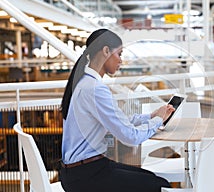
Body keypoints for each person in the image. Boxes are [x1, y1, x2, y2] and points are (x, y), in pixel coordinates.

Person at [60, 29, 174, 192]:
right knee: (159, 185)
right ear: (106, 51)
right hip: (85, 176)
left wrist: (151, 116)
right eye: (119, 54)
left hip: (81, 170)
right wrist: (158, 121)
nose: (121, 61)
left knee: (154, 179)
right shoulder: (94, 88)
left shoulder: (84, 82)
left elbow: (119, 121)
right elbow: (130, 137)